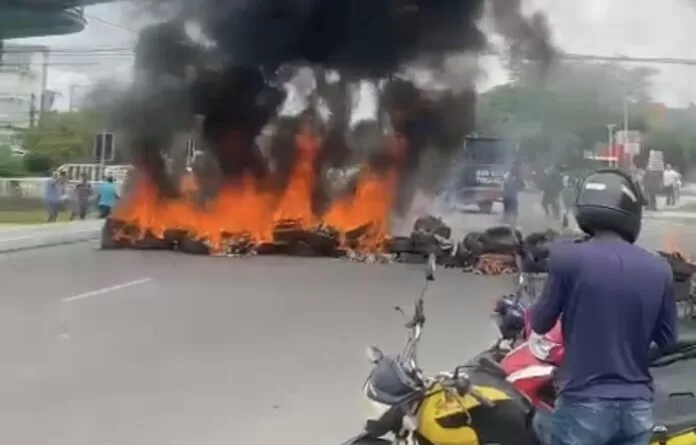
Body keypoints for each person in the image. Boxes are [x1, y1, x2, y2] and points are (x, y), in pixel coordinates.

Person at [529, 169, 677, 445]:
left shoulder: (567, 258)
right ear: (631, 213)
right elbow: (668, 340)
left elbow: (540, 323)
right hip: (637, 409)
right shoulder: (660, 268)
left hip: (583, 402)